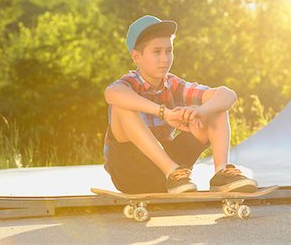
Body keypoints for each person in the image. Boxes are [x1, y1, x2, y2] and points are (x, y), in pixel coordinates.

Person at [103, 15, 258, 194]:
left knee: (215, 103)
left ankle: (221, 173)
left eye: (169, 51)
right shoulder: (128, 84)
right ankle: (171, 171)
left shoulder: (173, 84)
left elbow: (227, 94)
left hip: (176, 178)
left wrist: (199, 110)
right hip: (132, 174)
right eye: (156, 52)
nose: (165, 59)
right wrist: (165, 113)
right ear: (136, 56)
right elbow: (111, 93)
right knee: (121, 107)